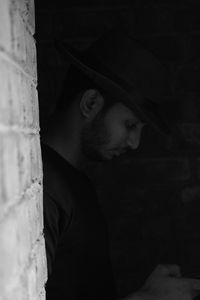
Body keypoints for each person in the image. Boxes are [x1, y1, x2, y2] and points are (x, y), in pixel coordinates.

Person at [41, 30, 200, 300]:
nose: (135, 143)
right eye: (130, 125)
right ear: (91, 103)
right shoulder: (43, 192)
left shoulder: (74, 183)